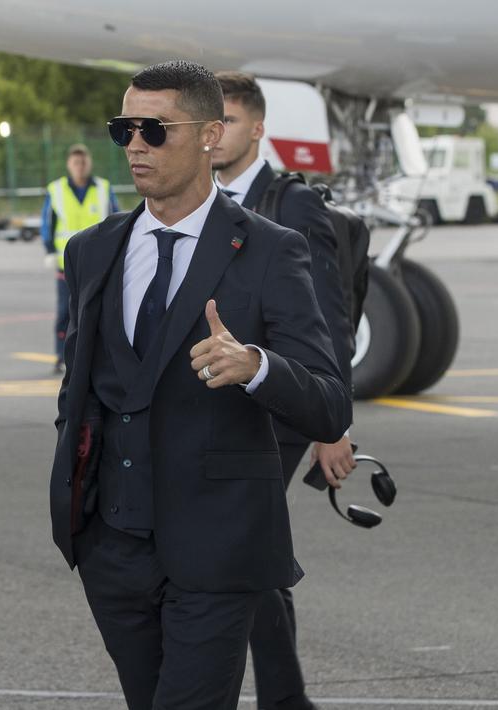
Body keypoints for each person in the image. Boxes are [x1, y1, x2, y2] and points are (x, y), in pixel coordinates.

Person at [48, 60, 352, 710]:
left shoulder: (273, 250)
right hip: (112, 550)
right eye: (123, 127)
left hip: (217, 552)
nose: (134, 144)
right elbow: (83, 391)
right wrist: (84, 520)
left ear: (211, 135)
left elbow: (328, 401)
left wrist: (258, 367)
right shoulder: (91, 250)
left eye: (154, 129)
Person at [212, 70, 354, 710]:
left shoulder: (291, 204)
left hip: (285, 407)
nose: (216, 136)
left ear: (259, 128)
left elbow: (331, 319)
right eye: (208, 124)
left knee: (240, 539)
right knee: (247, 548)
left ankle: (284, 698)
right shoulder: (201, 201)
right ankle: (285, 698)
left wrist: (333, 423)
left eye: (231, 123)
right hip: (227, 402)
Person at [41, 143, 119, 373]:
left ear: (89, 163)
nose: (80, 166)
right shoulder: (56, 190)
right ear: (69, 165)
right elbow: (47, 224)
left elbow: (117, 221)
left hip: (99, 264)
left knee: (101, 311)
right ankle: (61, 355)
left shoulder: (104, 189)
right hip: (67, 264)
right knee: (66, 311)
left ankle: (99, 356)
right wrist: (48, 251)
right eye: (76, 162)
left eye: (83, 161)